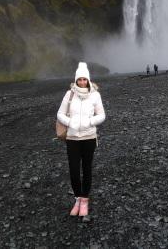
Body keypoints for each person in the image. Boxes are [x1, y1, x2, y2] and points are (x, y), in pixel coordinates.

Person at [57, 62, 106, 217]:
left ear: (89, 80)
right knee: (73, 171)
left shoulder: (95, 95)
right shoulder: (69, 94)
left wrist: (89, 122)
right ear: (76, 80)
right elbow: (60, 114)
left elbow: (101, 115)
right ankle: (77, 198)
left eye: (85, 79)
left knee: (87, 169)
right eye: (80, 79)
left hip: (89, 137)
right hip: (72, 138)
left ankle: (84, 200)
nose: (82, 82)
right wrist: (70, 122)